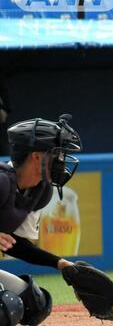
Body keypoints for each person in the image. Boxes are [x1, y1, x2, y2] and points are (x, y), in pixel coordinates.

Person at [0, 115, 105, 326]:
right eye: (57, 155)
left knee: (34, 304)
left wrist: (62, 264)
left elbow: (16, 246)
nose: (62, 161)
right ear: (37, 157)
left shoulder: (40, 192)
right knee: (5, 309)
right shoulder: (2, 182)